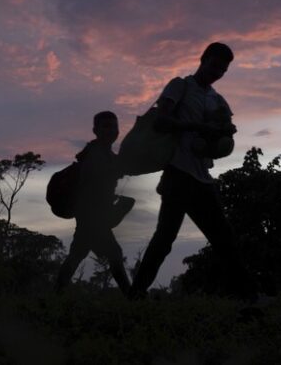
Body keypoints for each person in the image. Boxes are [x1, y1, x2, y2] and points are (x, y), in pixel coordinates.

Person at [128, 42, 258, 301]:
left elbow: (227, 131)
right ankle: (136, 295)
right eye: (214, 66)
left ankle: (248, 298)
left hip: (201, 178)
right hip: (178, 174)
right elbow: (162, 121)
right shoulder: (180, 86)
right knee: (164, 241)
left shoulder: (218, 100)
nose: (217, 73)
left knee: (225, 240)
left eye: (223, 70)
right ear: (202, 60)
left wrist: (223, 135)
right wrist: (197, 126)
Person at [55, 111, 133, 294]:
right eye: (106, 126)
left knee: (78, 254)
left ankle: (56, 293)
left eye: (114, 127)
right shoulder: (95, 153)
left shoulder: (103, 152)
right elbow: (95, 179)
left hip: (90, 214)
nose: (111, 131)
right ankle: (131, 297)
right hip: (91, 214)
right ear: (95, 130)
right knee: (113, 254)